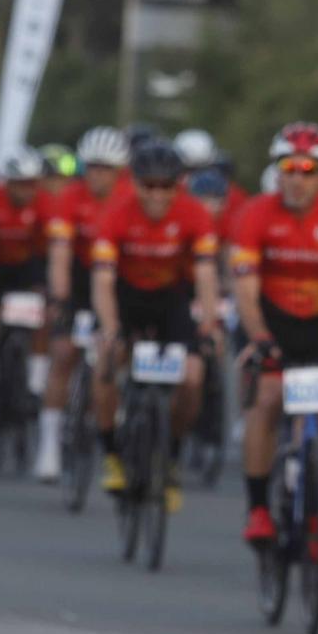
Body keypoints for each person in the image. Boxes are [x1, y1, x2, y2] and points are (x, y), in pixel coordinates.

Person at [231, 121, 318, 556]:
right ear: (277, 172)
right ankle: (258, 508)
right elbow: (245, 288)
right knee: (270, 397)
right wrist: (257, 337)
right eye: (289, 168)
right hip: (271, 322)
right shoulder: (255, 213)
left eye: (308, 169)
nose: (297, 177)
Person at [90, 139, 221, 513]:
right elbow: (102, 280)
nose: (158, 194)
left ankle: (172, 456)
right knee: (106, 361)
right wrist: (111, 328)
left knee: (194, 376)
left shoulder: (195, 215)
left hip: (171, 301)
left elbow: (207, 276)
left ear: (178, 185)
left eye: (167, 186)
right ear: (134, 184)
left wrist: (209, 327)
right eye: (149, 185)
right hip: (126, 297)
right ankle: (112, 453)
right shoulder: (116, 214)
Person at [0, 146, 68, 444]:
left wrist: (57, 293)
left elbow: (58, 249)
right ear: (7, 182)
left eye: (31, 183)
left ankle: (34, 384)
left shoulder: (47, 203)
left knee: (42, 320)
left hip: (30, 268)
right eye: (19, 183)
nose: (25, 190)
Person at [38, 127, 132, 480]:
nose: (97, 175)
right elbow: (59, 253)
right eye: (91, 166)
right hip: (79, 279)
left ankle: (114, 403)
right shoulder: (69, 197)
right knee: (63, 354)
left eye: (106, 168)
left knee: (116, 352)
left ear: (120, 170)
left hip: (118, 281)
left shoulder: (128, 197)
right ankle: (49, 443)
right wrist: (60, 297)